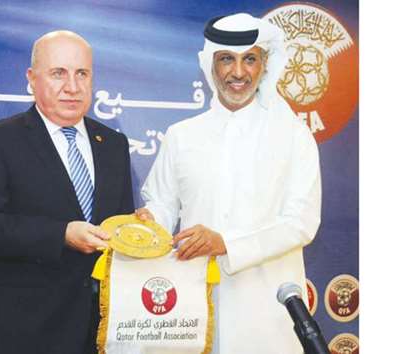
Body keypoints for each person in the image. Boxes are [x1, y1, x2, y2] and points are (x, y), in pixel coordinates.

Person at [136, 13, 321, 353]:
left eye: (249, 59)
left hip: (268, 314)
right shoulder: (182, 136)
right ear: (211, 65)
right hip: (191, 312)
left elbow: (301, 224)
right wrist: (149, 224)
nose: (238, 72)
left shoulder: (294, 136)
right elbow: (161, 204)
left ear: (264, 66)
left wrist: (226, 244)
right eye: (227, 60)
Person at [0, 30, 134, 354]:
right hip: (21, 335)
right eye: (58, 73)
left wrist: (137, 229)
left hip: (98, 336)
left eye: (81, 73)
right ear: (32, 78)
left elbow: (115, 225)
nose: (72, 86)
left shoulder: (113, 144)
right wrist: (60, 234)